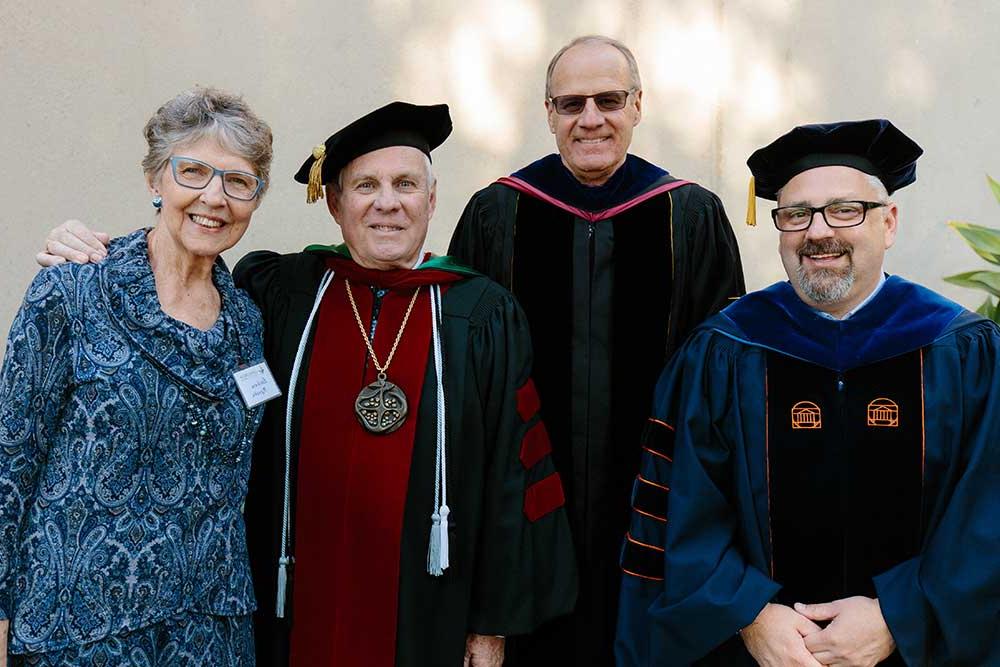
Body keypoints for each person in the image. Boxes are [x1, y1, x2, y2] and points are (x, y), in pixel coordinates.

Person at [37, 102, 577, 667]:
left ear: (431, 200)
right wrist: (86, 250)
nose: (386, 202)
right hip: (287, 608)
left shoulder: (482, 317)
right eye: (365, 185)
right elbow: (188, 340)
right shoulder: (279, 292)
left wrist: (490, 627)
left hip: (428, 616)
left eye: (406, 185)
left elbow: (514, 481)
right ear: (336, 204)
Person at [615, 118, 1000, 666]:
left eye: (845, 209)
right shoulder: (724, 351)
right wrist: (748, 612)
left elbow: (988, 515)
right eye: (796, 214)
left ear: (889, 222)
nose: (818, 232)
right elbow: (678, 504)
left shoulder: (962, 351)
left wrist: (898, 613)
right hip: (758, 652)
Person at [448, 34, 745, 665]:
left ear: (638, 105)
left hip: (656, 509)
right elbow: (461, 377)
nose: (590, 118)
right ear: (548, 112)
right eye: (571, 102)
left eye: (608, 99)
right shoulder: (496, 213)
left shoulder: (690, 216)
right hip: (522, 514)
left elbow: (723, 385)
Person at [0, 87, 273, 665]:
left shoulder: (249, 322)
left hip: (209, 636)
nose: (214, 198)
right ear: (155, 180)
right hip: (79, 632)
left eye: (238, 181)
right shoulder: (74, 290)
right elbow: (10, 460)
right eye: (193, 171)